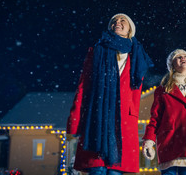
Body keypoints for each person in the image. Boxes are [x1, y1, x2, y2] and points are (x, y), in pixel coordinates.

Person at [66, 13, 154, 175]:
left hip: (124, 119)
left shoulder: (137, 55)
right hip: (97, 117)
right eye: (114, 21)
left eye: (123, 20)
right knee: (97, 168)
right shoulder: (96, 51)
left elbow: (135, 92)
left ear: (130, 29)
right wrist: (74, 119)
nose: (118, 22)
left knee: (115, 171)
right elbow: (83, 86)